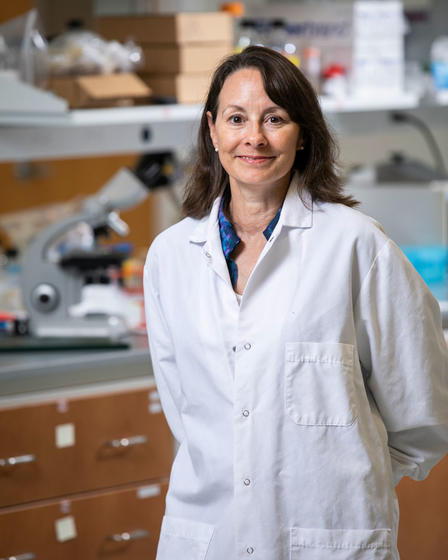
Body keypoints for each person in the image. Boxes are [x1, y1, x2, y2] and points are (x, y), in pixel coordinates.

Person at [144, 46, 448, 560]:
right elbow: (187, 413)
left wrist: (344, 484)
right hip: (207, 537)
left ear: (303, 133)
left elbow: (423, 415)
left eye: (275, 119)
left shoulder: (356, 246)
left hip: (331, 537)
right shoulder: (171, 257)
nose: (254, 138)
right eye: (237, 118)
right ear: (213, 130)